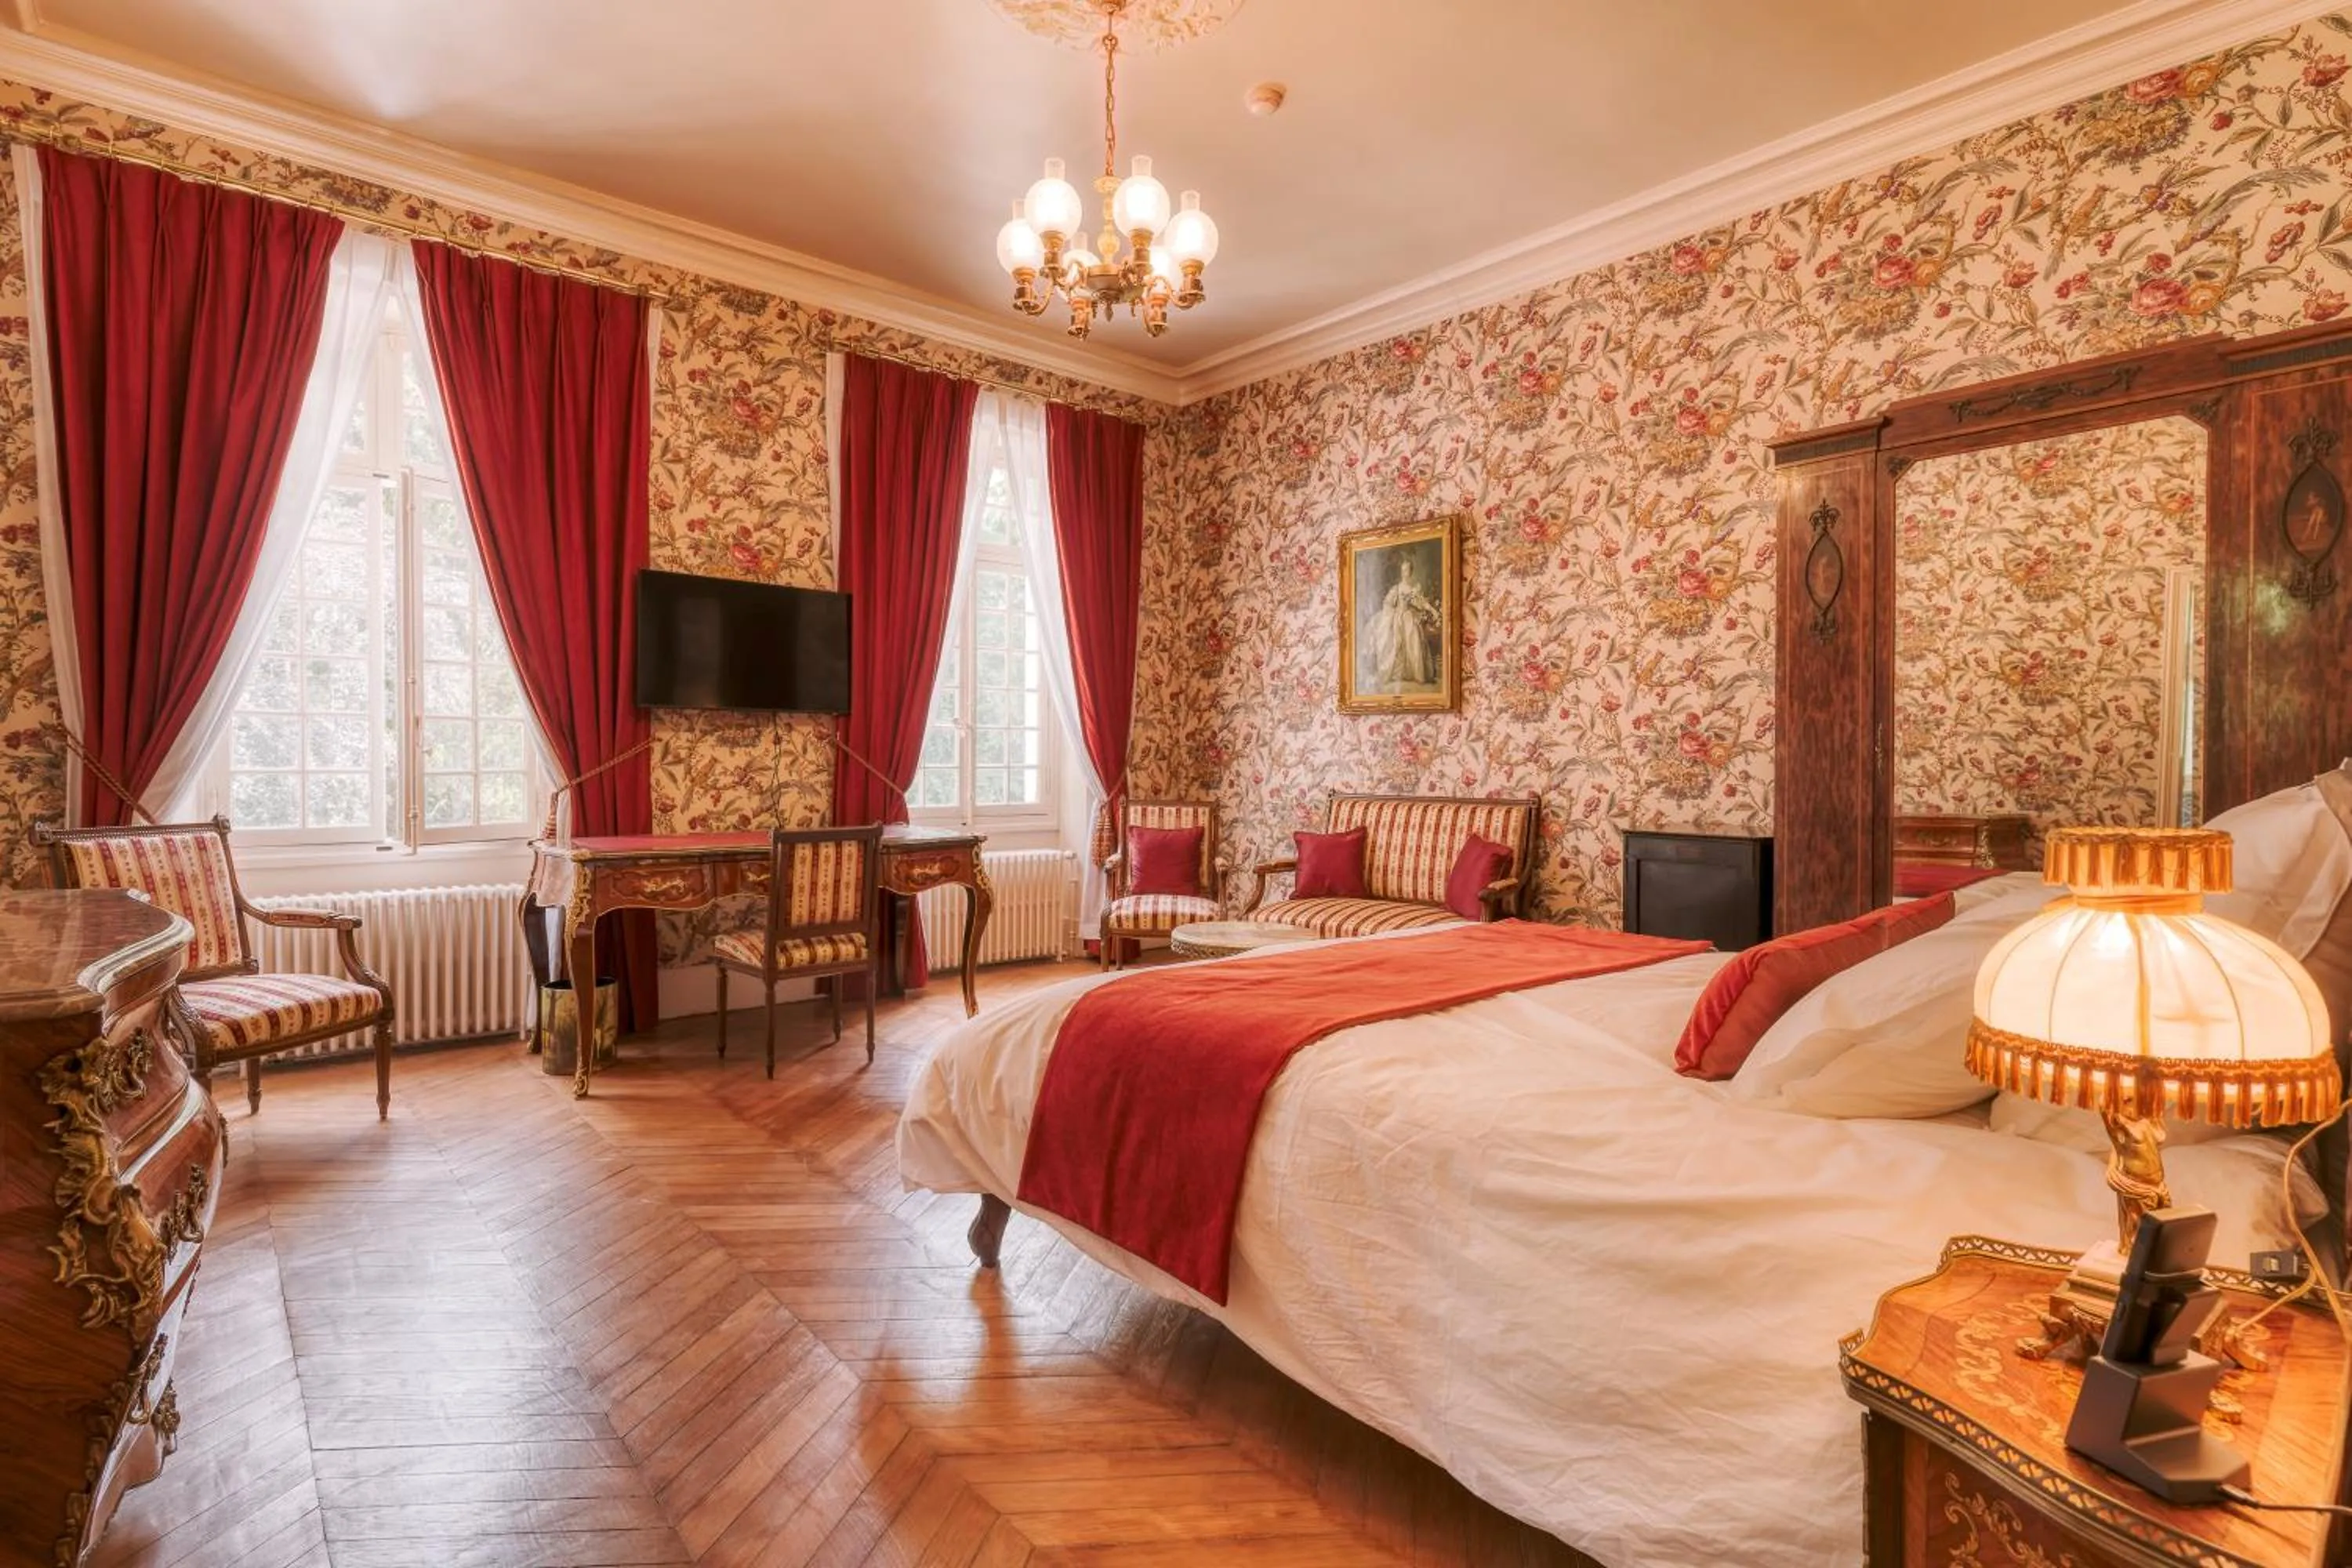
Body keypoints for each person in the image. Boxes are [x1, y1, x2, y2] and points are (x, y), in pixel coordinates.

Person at [1364, 554, 1439, 691]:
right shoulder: (1397, 588)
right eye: (1404, 570)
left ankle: (1414, 673)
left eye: (1408, 570)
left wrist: (1433, 611)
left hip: (1409, 618)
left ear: (1412, 571)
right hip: (1397, 617)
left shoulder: (1414, 588)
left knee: (1414, 639)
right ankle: (1397, 672)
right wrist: (1393, 613)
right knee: (1394, 642)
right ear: (1401, 572)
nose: (1406, 573)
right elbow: (1387, 602)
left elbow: (1421, 603)